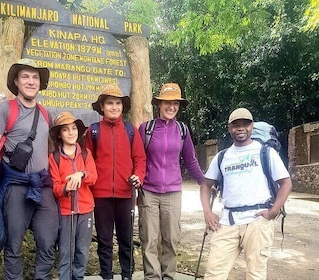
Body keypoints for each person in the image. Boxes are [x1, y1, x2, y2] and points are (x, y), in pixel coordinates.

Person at [0, 58, 59, 280]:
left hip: (42, 186)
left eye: (35, 77)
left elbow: (50, 151)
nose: (31, 81)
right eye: (25, 76)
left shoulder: (45, 113)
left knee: (48, 241)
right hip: (16, 185)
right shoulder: (6, 109)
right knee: (13, 243)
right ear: (16, 81)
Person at [200, 108, 292, 279]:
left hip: (257, 221)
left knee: (255, 274)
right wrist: (207, 212)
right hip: (228, 221)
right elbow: (206, 185)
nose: (241, 128)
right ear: (229, 129)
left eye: (245, 124)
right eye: (236, 125)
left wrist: (273, 211)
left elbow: (286, 182)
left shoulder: (266, 153)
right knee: (214, 273)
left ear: (252, 126)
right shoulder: (222, 156)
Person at [137, 83, 205, 280]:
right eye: (167, 102)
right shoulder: (146, 129)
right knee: (149, 239)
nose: (171, 107)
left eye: (175, 103)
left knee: (172, 238)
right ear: (159, 104)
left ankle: (168, 276)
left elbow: (191, 160)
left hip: (173, 192)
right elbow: (138, 159)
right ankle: (152, 277)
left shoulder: (182, 130)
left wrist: (204, 182)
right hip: (148, 191)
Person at [84, 84, 146, 280]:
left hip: (126, 193)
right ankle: (106, 276)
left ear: (122, 106)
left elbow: (140, 159)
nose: (114, 107)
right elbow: (87, 162)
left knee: (126, 240)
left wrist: (138, 176)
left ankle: (127, 275)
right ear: (102, 107)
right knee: (104, 241)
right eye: (109, 103)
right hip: (100, 195)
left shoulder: (130, 130)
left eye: (118, 103)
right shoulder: (92, 132)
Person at [48, 111, 98, 280]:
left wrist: (81, 174)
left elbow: (93, 176)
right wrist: (65, 189)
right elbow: (55, 186)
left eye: (74, 128)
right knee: (65, 251)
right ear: (59, 134)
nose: (71, 132)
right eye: (66, 130)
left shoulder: (85, 154)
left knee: (82, 251)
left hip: (85, 210)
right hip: (64, 211)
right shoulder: (54, 157)